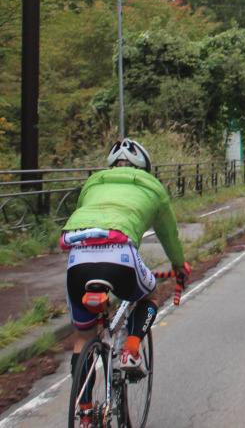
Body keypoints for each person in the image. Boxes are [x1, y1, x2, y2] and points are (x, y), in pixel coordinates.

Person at [62, 138, 189, 420]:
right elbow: (169, 236)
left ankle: (83, 412)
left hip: (78, 260)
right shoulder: (153, 188)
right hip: (120, 257)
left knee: (83, 336)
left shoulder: (93, 183)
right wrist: (179, 266)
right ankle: (131, 349)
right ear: (143, 168)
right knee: (149, 295)